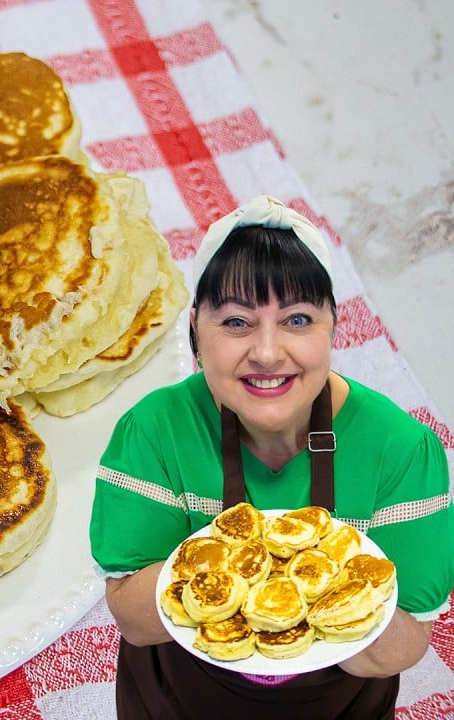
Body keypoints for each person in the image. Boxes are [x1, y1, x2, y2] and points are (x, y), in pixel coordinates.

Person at [89, 195, 454, 719]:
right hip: (176, 701)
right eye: (236, 322)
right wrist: (244, 569)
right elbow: (135, 619)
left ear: (335, 324)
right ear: (195, 327)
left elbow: (404, 647)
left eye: (298, 319)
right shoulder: (152, 432)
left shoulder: (401, 451)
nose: (266, 352)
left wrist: (319, 586)